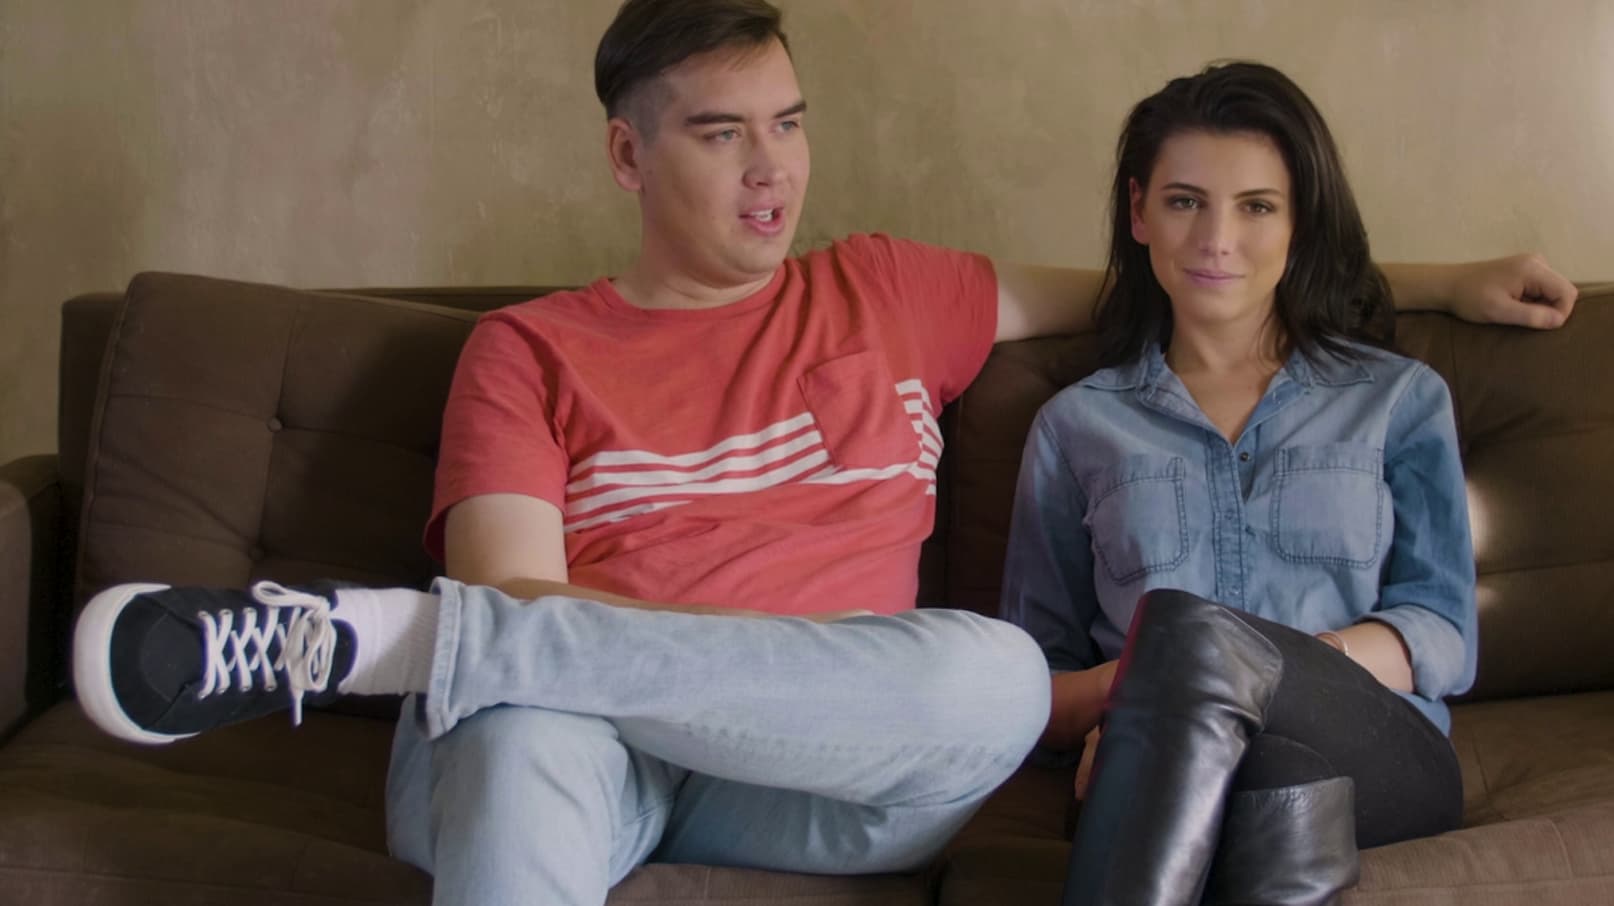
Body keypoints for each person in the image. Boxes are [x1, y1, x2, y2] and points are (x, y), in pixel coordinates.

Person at [71, 4, 1575, 905]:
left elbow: (1193, 275)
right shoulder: (529, 350)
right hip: (583, 745)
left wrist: (1436, 281)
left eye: (786, 124)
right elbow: (525, 605)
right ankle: (435, 652)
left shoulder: (889, 290)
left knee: (988, 678)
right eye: (721, 133)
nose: (771, 169)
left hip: (834, 770)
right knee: (521, 715)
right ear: (626, 153)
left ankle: (401, 643)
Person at [1001, 61, 1494, 906]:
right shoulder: (1075, 428)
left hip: (1378, 755)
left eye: (1257, 206)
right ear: (1139, 211)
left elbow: (1443, 634)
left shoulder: (1397, 401)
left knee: (1199, 660)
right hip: (1172, 768)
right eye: (1185, 201)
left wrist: (1222, 681)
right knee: (1267, 783)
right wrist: (1164, 709)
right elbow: (1031, 689)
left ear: (1300, 220)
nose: (1217, 239)